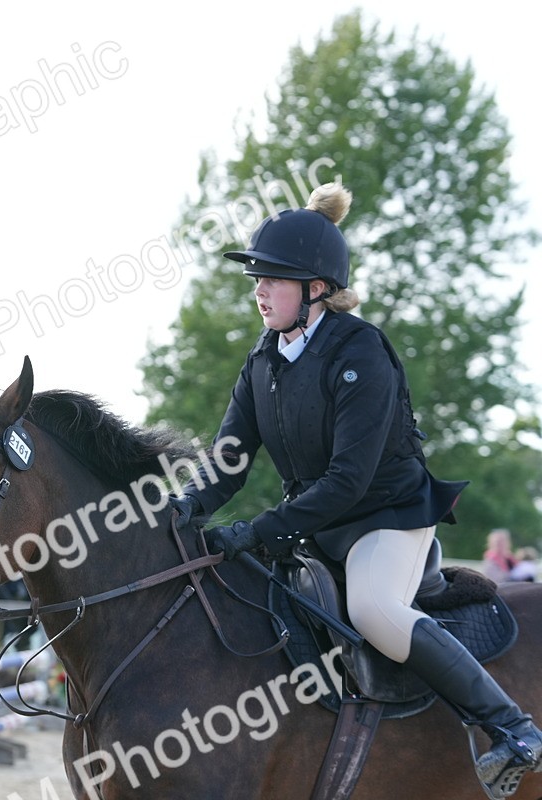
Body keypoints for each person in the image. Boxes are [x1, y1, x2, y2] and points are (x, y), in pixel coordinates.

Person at [171, 181, 541, 796]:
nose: (259, 290)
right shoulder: (262, 361)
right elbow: (229, 461)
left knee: (373, 609)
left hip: (386, 517)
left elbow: (349, 480)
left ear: (316, 289)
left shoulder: (361, 351)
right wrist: (185, 506)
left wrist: (258, 530)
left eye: (274, 279)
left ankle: (511, 726)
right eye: (257, 278)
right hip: (316, 523)